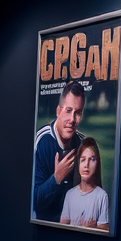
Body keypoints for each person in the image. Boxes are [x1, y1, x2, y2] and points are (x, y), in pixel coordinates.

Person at [33, 80, 85, 222]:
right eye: (68, 111)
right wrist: (56, 179)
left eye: (78, 113)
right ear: (58, 111)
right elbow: (34, 201)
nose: (72, 119)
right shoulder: (43, 141)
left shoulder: (82, 144)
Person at [60, 137, 110, 231]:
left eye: (92, 159)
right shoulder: (70, 195)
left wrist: (92, 228)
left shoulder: (102, 196)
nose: (86, 165)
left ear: (97, 163)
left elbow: (104, 229)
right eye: (83, 160)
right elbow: (62, 227)